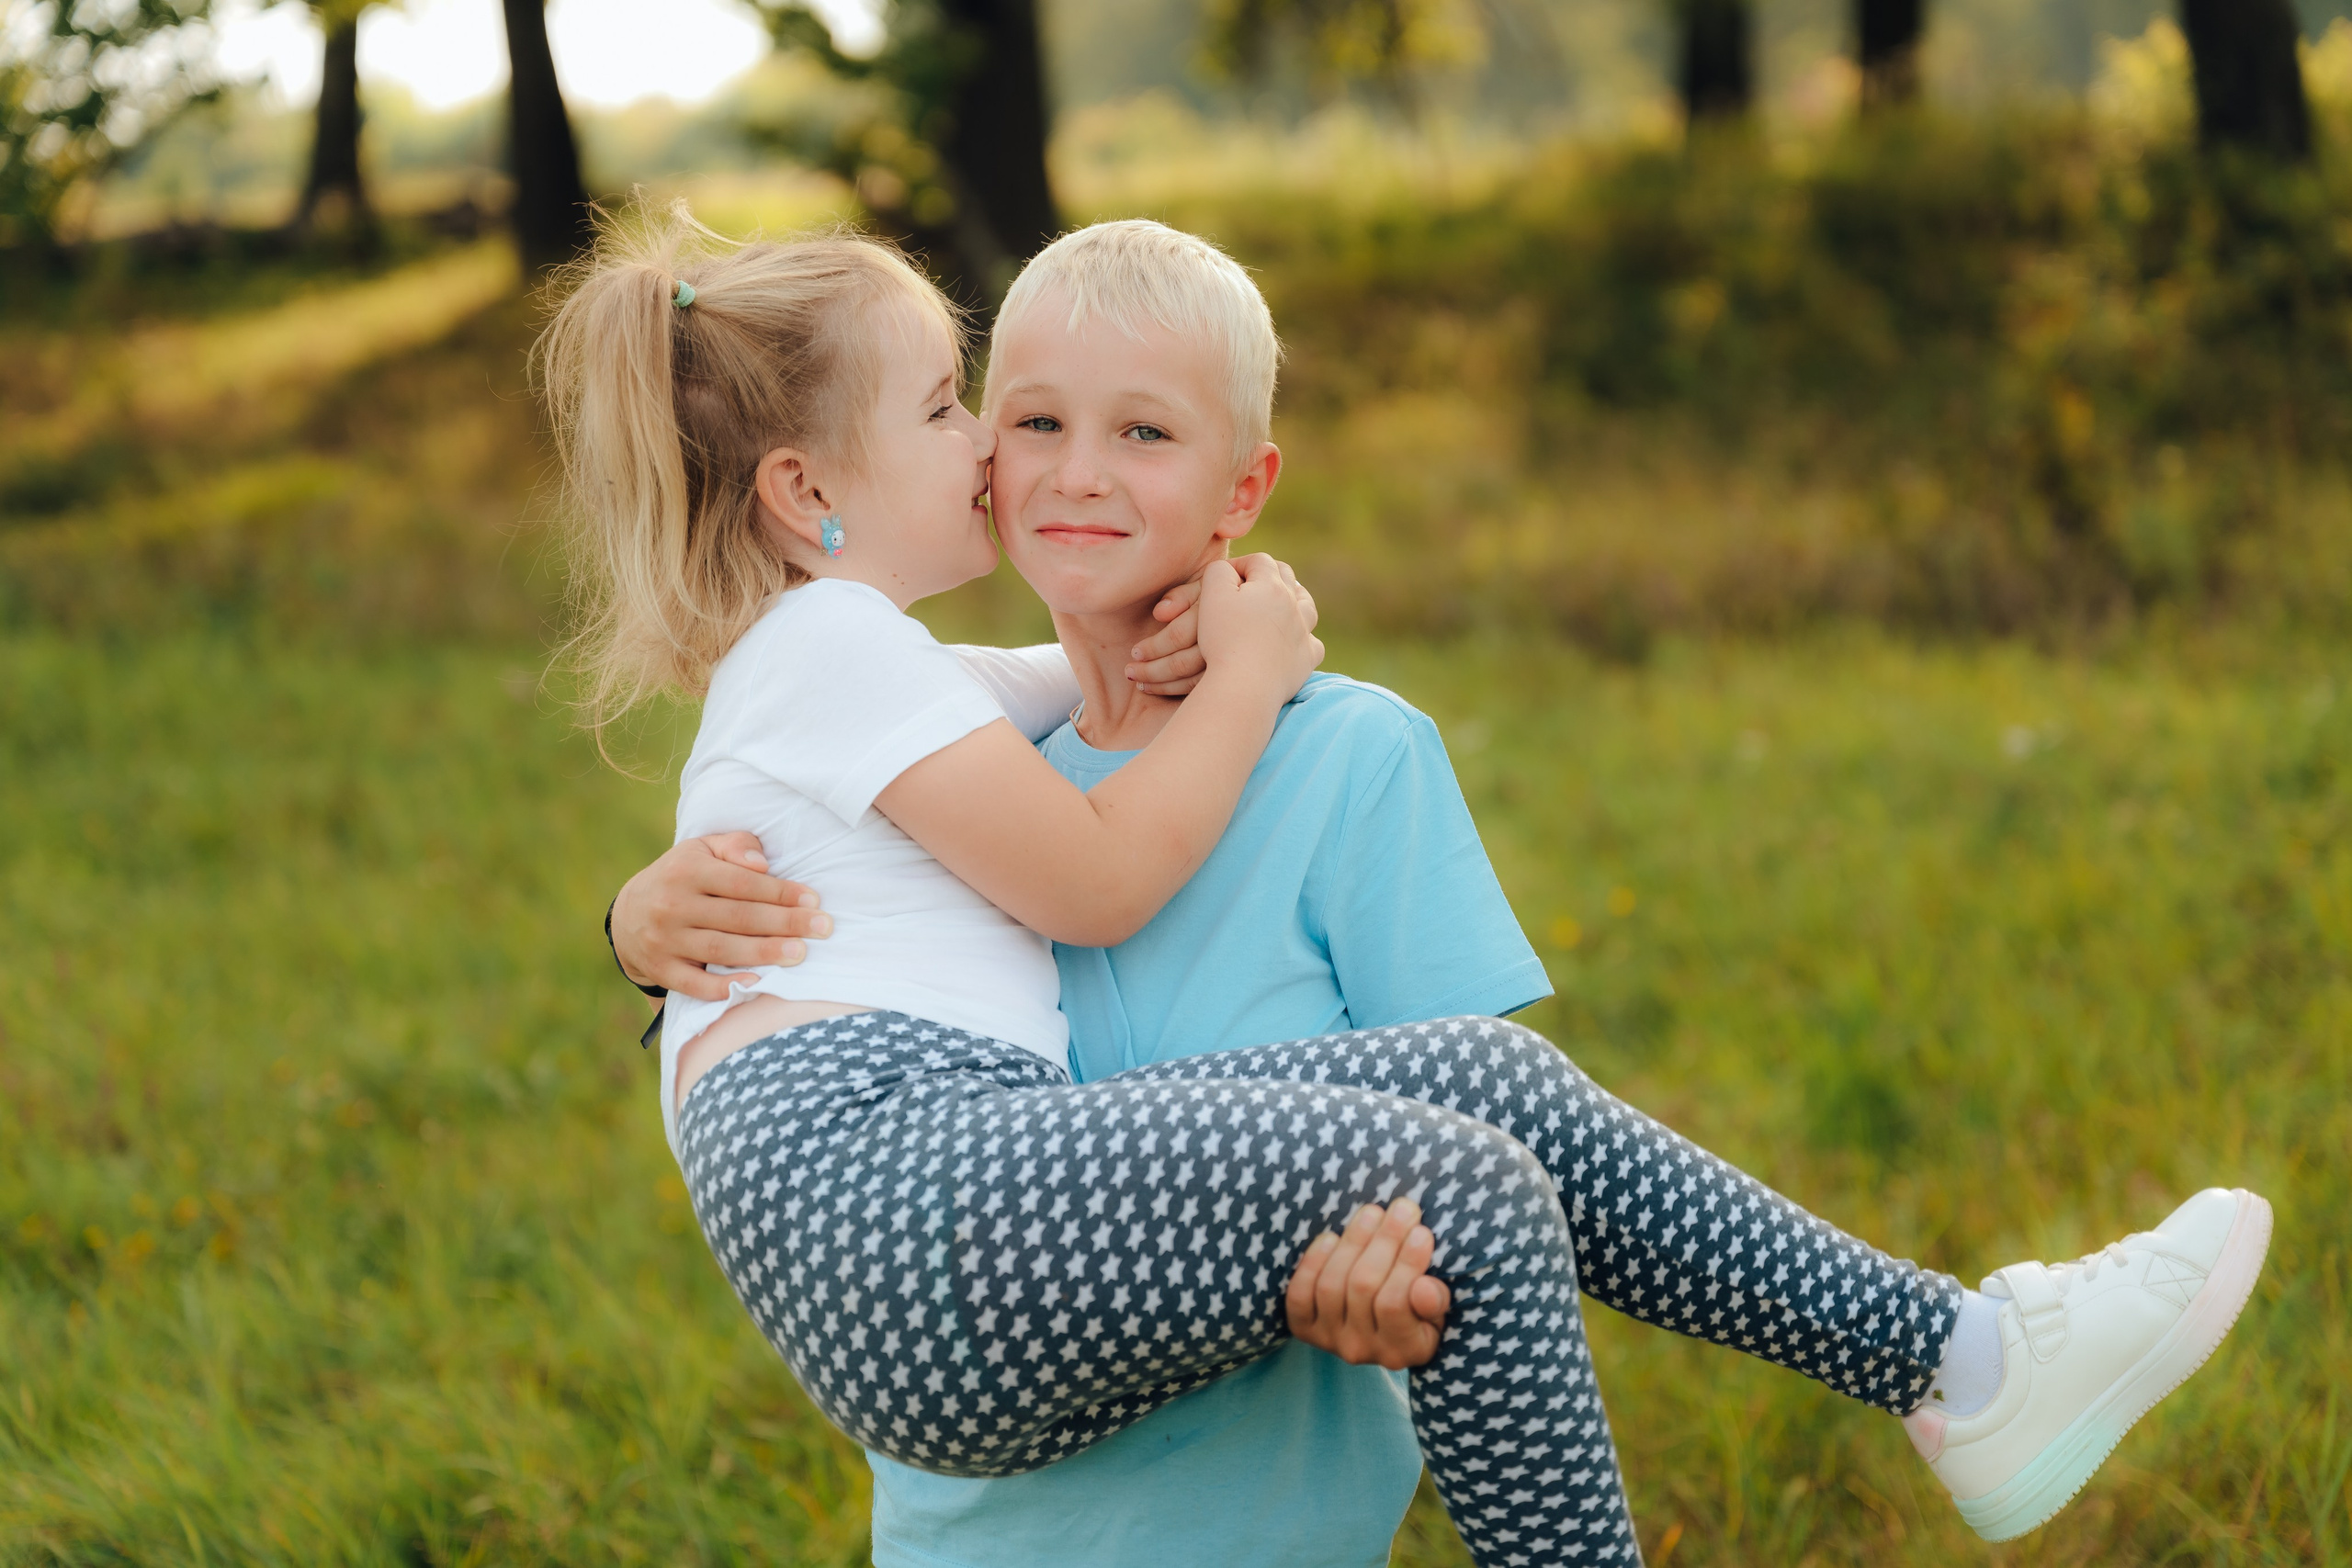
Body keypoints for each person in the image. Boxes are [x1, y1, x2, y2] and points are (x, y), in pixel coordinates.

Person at [564, 211, 2272, 1567]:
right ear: (807, 496)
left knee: (1491, 1101)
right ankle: (1960, 1367)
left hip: (928, 1260)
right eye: (971, 414)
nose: (1029, 466)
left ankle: (1966, 1367)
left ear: (1242, 484)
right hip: (902, 1212)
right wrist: (1245, 674)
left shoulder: (931, 693)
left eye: (1125, 429)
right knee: (1469, 1152)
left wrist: (1243, 653)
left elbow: (985, 739)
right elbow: (1085, 882)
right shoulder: (842, 646)